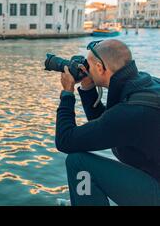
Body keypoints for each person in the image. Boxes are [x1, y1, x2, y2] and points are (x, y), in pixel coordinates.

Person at [56, 39, 160, 206]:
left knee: (78, 163)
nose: (86, 70)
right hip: (152, 174)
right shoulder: (146, 84)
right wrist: (87, 87)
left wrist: (67, 94)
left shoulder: (131, 112)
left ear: (99, 67)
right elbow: (106, 125)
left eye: (88, 66)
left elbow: (65, 141)